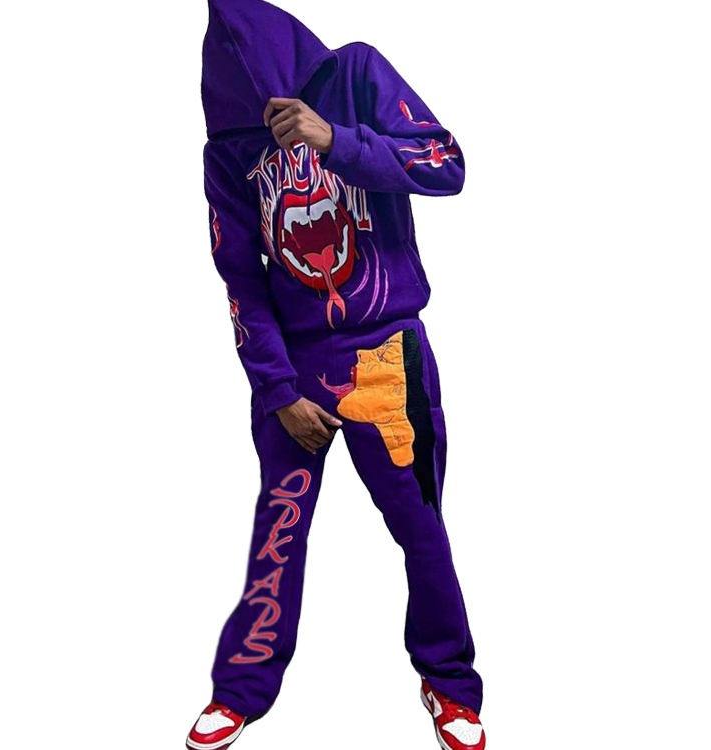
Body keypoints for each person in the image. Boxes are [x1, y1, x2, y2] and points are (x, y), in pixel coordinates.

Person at [187, 2, 485, 748]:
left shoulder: (354, 73)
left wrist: (336, 139)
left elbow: (447, 165)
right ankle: (240, 691)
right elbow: (240, 277)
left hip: (386, 354)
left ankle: (450, 683)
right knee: (278, 531)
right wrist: (277, 389)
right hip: (293, 367)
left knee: (420, 528)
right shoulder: (228, 151)